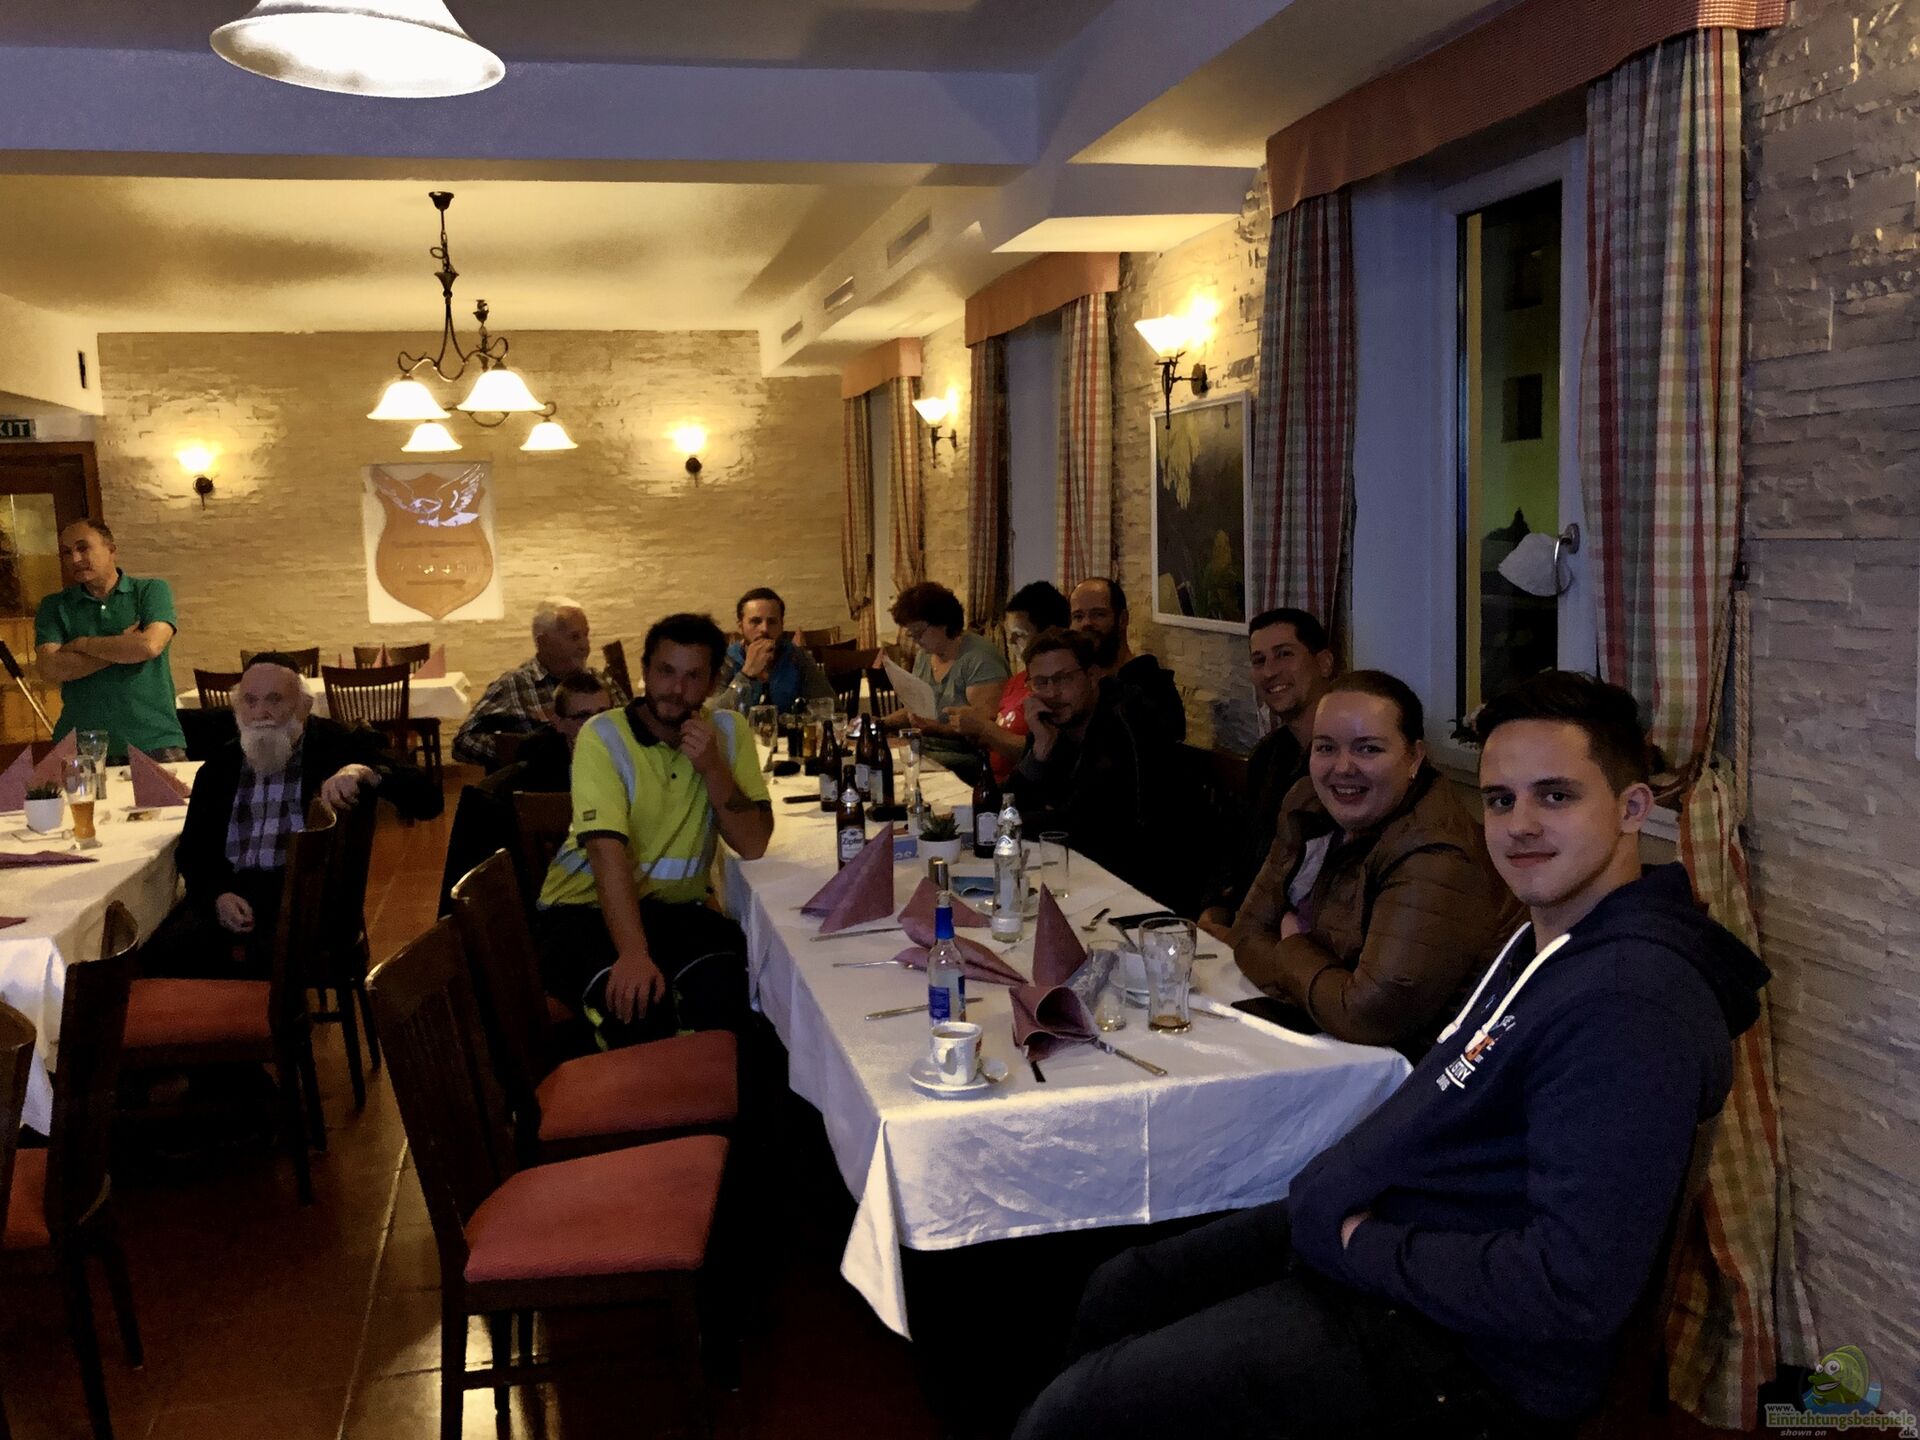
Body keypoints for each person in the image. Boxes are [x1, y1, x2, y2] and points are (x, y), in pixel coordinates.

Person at [1013, 670, 1766, 1440]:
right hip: (1394, 1244)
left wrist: (1360, 1242)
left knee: (1078, 1410)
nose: (1519, 826)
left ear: (1632, 808)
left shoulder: (1629, 1006)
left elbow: (1569, 1289)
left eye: (1556, 796)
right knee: (1123, 1285)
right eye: (1500, 799)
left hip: (1462, 1354)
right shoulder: (1550, 941)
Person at [1229, 670, 1520, 1057]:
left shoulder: (1436, 852)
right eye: (1325, 747)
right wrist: (1321, 985)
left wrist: (1292, 944)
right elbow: (1246, 935)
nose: (1342, 768)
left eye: (1368, 749)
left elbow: (1368, 1016)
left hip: (1415, 1070)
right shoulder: (1308, 806)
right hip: (1331, 1048)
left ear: (1414, 757)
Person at [533, 612, 772, 1046]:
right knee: (640, 1006)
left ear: (712, 683)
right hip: (583, 909)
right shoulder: (603, 735)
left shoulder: (728, 731)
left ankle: (722, 1089)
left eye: (692, 676)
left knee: (731, 995)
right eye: (665, 671)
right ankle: (635, 1087)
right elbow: (605, 852)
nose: (676, 689)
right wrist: (633, 952)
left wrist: (713, 767)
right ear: (645, 670)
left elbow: (753, 844)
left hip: (674, 913)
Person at [164, 652, 440, 977]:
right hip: (235, 897)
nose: (261, 713)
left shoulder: (338, 744)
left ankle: (265, 1008)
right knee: (159, 953)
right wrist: (217, 895)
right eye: (250, 701)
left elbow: (428, 800)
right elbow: (193, 851)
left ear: (303, 706)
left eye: (275, 700)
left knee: (238, 961)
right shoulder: (220, 766)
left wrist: (363, 771)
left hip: (311, 905)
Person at [1003, 629, 1187, 911]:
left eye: (1063, 678)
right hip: (1082, 871)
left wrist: (1015, 823)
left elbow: (1084, 824)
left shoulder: (1127, 719)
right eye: (1041, 682)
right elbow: (1005, 808)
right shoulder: (1049, 725)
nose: (1052, 693)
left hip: (1144, 884)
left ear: (1091, 676)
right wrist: (1039, 750)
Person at [1198, 608, 1337, 941]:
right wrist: (1217, 906)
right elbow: (1241, 849)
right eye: (1259, 660)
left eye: (1284, 654)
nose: (1270, 671)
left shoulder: (1347, 767)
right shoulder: (1269, 755)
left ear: (1324, 663)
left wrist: (1251, 941)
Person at [435, 672, 611, 916]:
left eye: (604, 714)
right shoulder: (530, 779)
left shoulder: (628, 761)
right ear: (558, 722)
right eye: (583, 717)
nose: (596, 725)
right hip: (560, 896)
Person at [32, 518, 187, 762]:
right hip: (80, 744)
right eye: (66, 552)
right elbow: (50, 668)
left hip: (154, 740)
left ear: (111, 549)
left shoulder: (150, 591)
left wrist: (82, 644)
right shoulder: (54, 605)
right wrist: (124, 647)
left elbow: (149, 646)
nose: (74, 559)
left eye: (83, 548)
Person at [451, 597, 623, 768]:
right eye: (574, 637)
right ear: (543, 642)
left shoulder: (600, 682)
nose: (585, 645)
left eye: (586, 635)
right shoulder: (513, 686)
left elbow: (631, 730)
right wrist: (522, 752)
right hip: (543, 781)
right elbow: (463, 742)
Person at [943, 580, 1069, 786]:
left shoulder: (1055, 691)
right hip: (993, 783)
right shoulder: (1017, 681)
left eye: (1019, 635)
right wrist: (974, 730)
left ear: (1048, 634)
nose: (1010, 643)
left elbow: (1040, 754)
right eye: (1010, 635)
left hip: (1022, 793)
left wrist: (984, 729)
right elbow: (1001, 733)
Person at [883, 580, 1008, 782]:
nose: (915, 639)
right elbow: (915, 711)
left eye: (919, 632)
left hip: (967, 759)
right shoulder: (925, 656)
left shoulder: (980, 658)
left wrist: (936, 729)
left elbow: (985, 728)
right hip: (927, 750)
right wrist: (880, 723)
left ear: (943, 622)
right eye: (911, 633)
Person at [1068, 575, 1185, 742]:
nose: (1086, 623)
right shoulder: (1074, 681)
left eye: (1099, 614)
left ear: (1122, 619)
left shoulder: (1152, 686)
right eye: (1078, 616)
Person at [714, 586, 834, 713]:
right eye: (755, 621)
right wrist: (746, 674)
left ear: (781, 626)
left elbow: (829, 707)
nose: (764, 629)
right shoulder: (726, 660)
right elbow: (711, 715)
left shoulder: (797, 657)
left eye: (772, 622)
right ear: (740, 626)